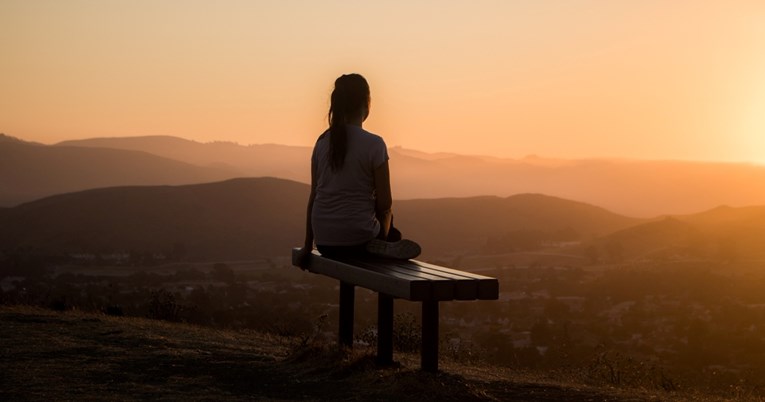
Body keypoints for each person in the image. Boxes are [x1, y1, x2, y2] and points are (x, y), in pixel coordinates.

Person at [296, 73, 420, 268]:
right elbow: (385, 203)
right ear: (366, 103)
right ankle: (386, 244)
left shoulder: (321, 142)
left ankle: (385, 243)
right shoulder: (374, 144)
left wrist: (306, 246)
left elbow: (314, 197)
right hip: (360, 241)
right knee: (389, 219)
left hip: (325, 243)